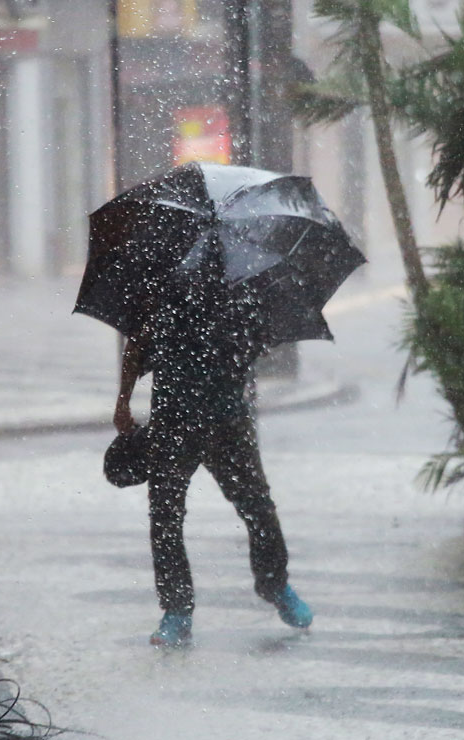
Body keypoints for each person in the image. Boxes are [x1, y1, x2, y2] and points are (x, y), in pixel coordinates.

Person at [113, 239, 313, 647]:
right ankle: (177, 610)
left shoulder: (245, 272)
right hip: (173, 416)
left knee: (257, 506)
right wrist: (123, 398)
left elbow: (263, 341)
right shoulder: (161, 271)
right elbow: (137, 340)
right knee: (166, 516)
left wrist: (246, 333)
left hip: (227, 419)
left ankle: (276, 587)